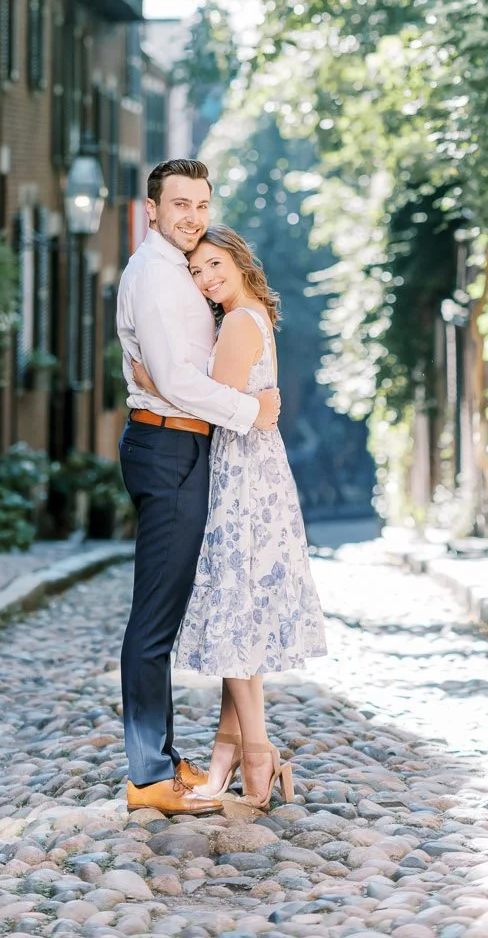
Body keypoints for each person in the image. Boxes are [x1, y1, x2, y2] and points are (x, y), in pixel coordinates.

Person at [130, 224, 326, 809]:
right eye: (196, 272)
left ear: (240, 260)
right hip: (249, 473)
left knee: (237, 619)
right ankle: (229, 750)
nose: (207, 279)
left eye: (215, 265)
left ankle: (258, 754)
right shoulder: (249, 314)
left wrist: (151, 379)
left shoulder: (240, 322)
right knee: (236, 616)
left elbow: (216, 405)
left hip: (243, 479)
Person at [116, 159, 283, 815]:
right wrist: (250, 412)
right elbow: (176, 381)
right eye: (178, 204)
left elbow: (177, 371)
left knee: (173, 606)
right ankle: (148, 774)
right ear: (151, 208)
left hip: (183, 442)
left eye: (201, 204)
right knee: (155, 615)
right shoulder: (157, 278)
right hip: (169, 444)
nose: (191, 216)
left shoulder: (180, 271)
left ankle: (163, 752)